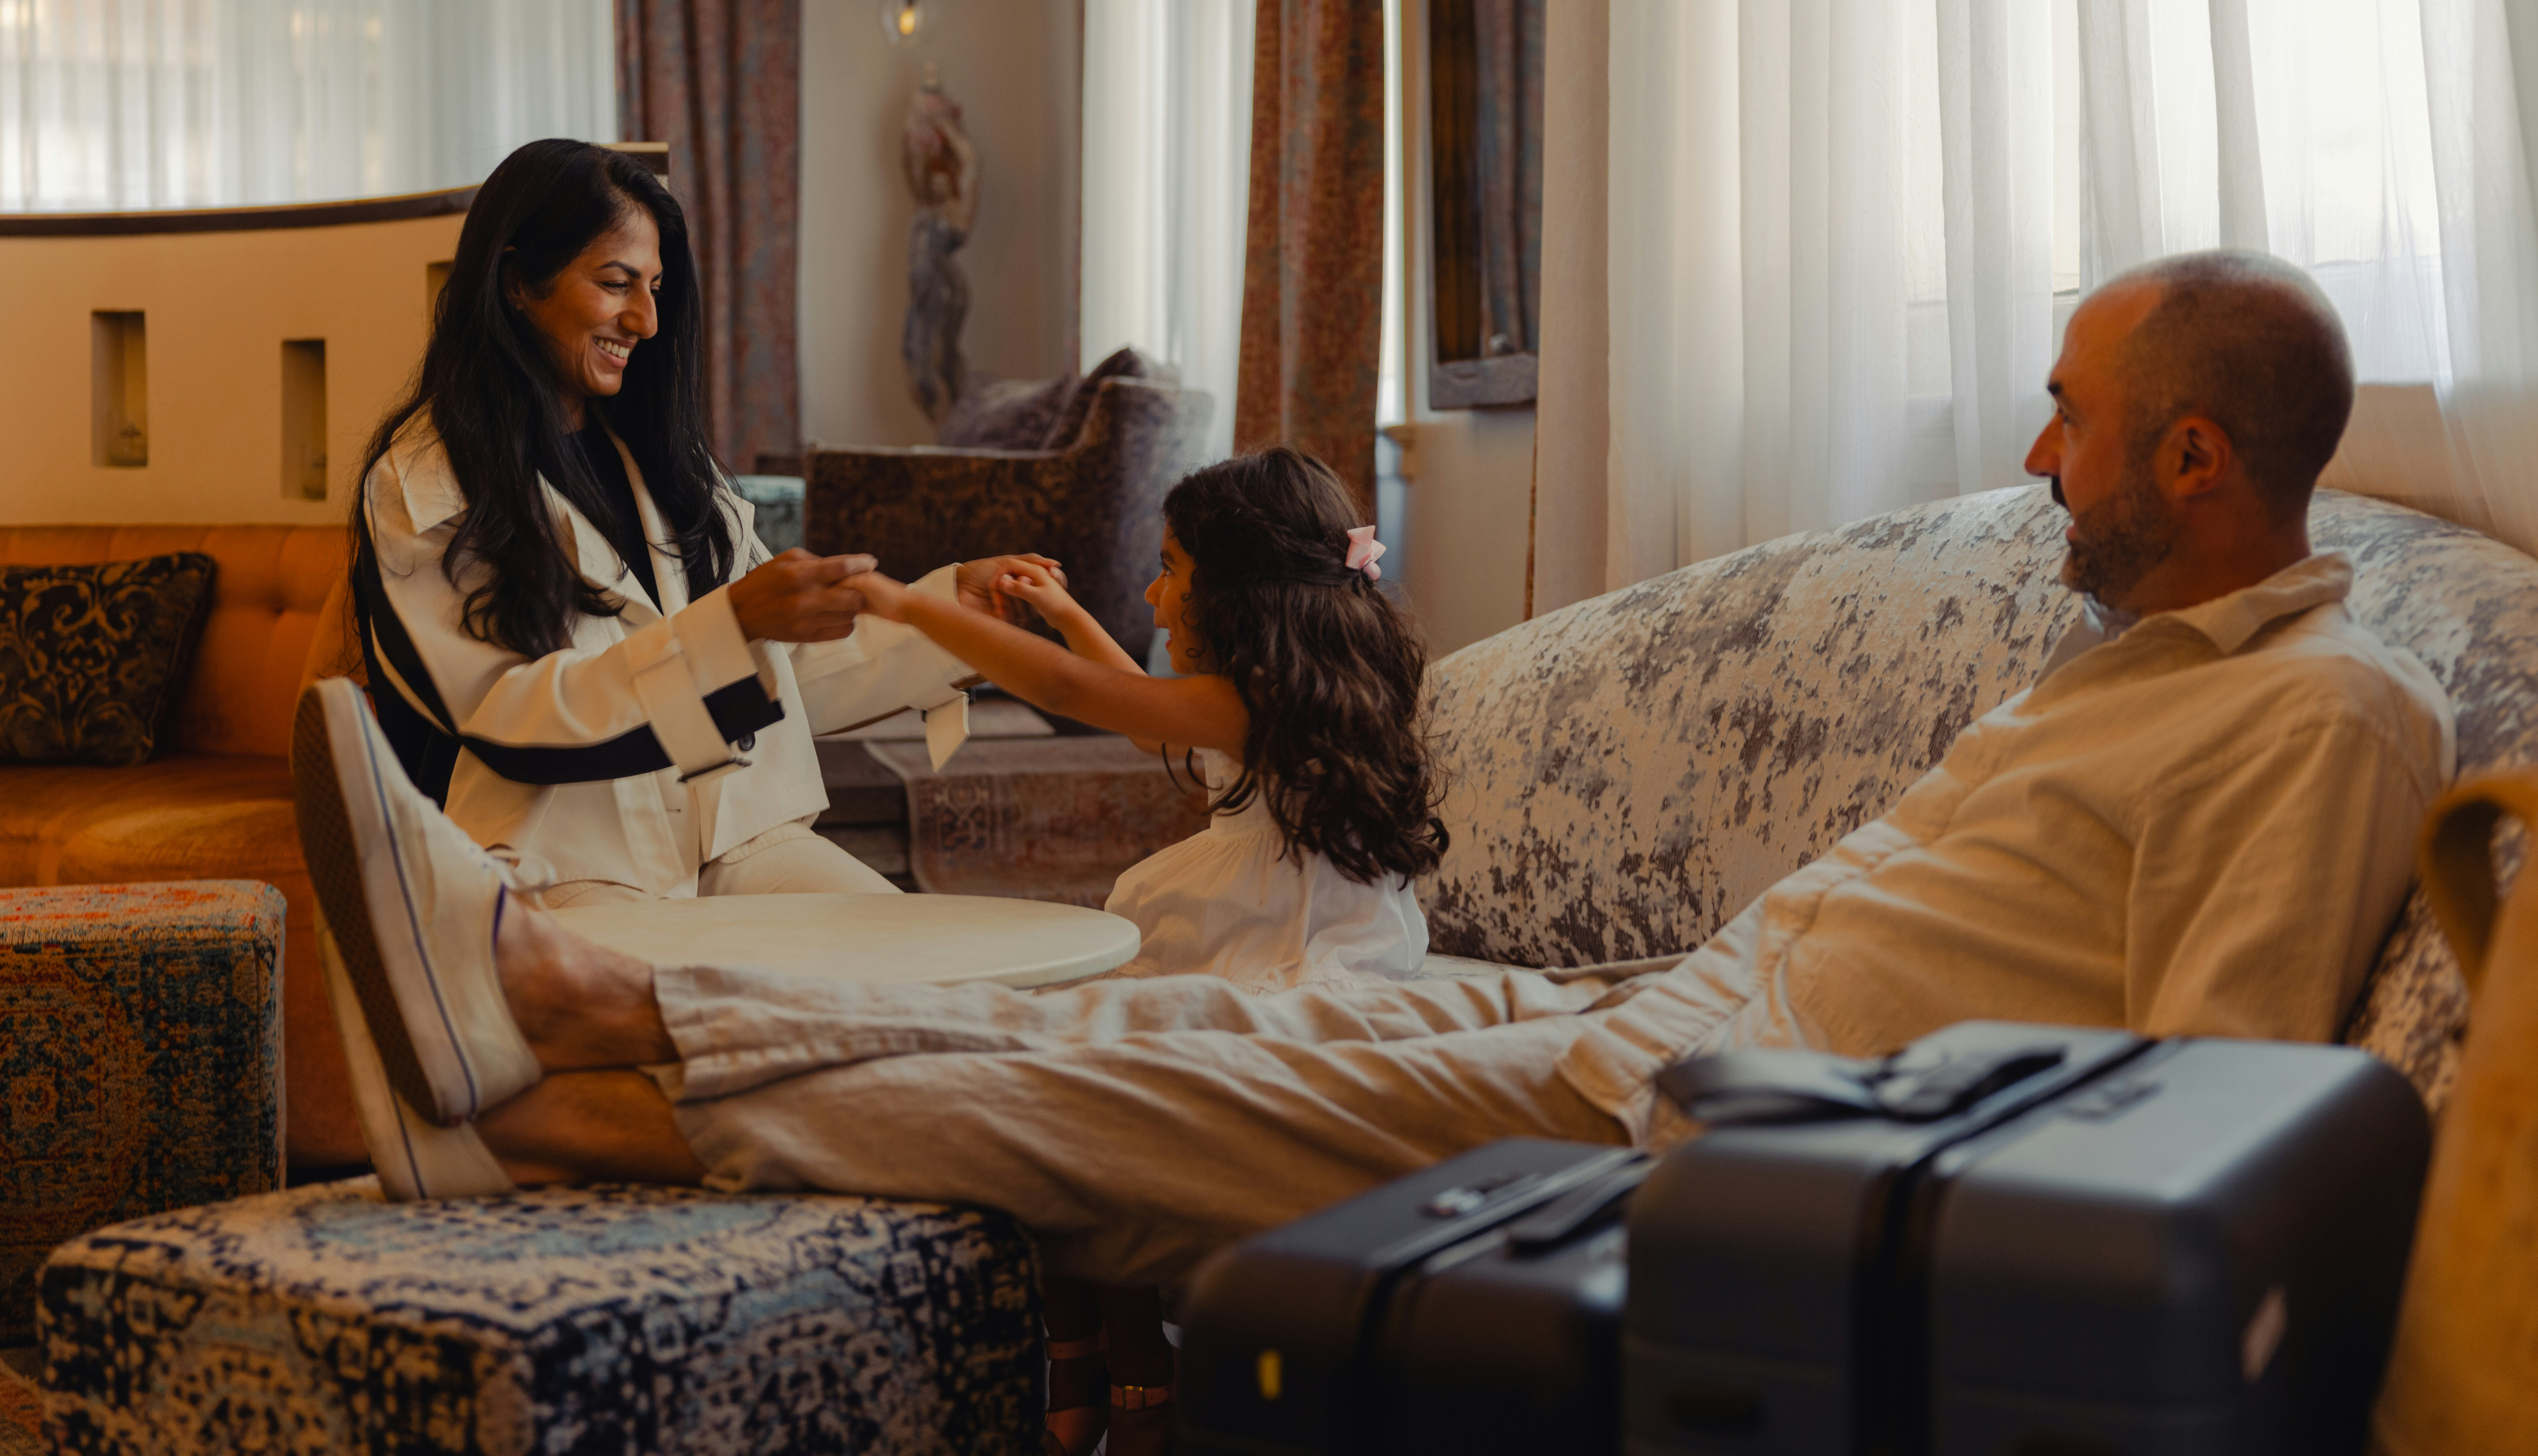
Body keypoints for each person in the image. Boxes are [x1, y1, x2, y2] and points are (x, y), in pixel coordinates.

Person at [293, 249, 2456, 1453]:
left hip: (1705, 1119)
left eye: (2067, 413)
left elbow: (2210, 1103)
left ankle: (583, 1004)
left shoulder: (2322, 709)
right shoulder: (2136, 666)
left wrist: (1809, 1145)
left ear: (2187, 448)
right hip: (1645, 1022)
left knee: (1134, 1081)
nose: (2028, 452)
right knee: (1144, 1038)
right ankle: (549, 1087)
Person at [847, 445, 1446, 1450]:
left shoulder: (1257, 705)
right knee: (1057, 1066)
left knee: (1092, 1098)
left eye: (1170, 569)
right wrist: (1068, 611)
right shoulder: (1292, 690)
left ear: (1241, 588)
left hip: (1280, 952)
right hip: (1248, 923)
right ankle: (1081, 1350)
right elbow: (1136, 716)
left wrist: (906, 606)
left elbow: (1088, 699)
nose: (1153, 596)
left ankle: (1129, 1375)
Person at [347, 137, 1047, 908]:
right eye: (615, 283)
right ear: (518, 282)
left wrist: (954, 617)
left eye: (654, 286)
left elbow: (779, 673)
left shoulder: (673, 470)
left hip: (739, 839)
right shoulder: (422, 486)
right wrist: (732, 621)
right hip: (555, 866)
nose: (645, 319)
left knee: (931, 969)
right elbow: (505, 718)